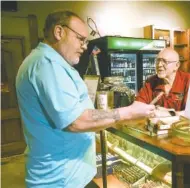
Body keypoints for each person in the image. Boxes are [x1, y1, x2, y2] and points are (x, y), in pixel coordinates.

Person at [16, 10, 155, 188]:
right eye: (80, 39)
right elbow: (77, 120)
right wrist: (128, 112)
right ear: (59, 32)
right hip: (59, 179)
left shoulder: (52, 63)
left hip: (68, 175)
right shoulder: (47, 65)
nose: (84, 46)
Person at [136, 48, 190, 114]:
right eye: (158, 61)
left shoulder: (189, 80)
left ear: (177, 65)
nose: (159, 65)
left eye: (164, 61)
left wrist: (168, 113)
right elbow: (139, 105)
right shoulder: (151, 82)